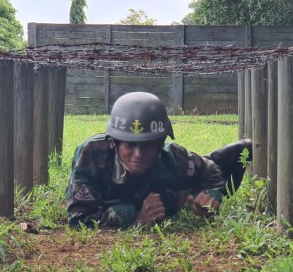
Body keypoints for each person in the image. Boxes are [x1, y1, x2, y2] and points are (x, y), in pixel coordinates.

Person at [65, 91, 252, 228]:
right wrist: (136, 216)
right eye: (130, 145)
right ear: (115, 143)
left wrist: (211, 197)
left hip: (173, 189)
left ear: (159, 145)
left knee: (240, 150)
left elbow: (211, 171)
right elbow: (79, 218)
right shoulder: (91, 157)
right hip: (147, 199)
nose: (138, 154)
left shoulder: (172, 156)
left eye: (146, 145)